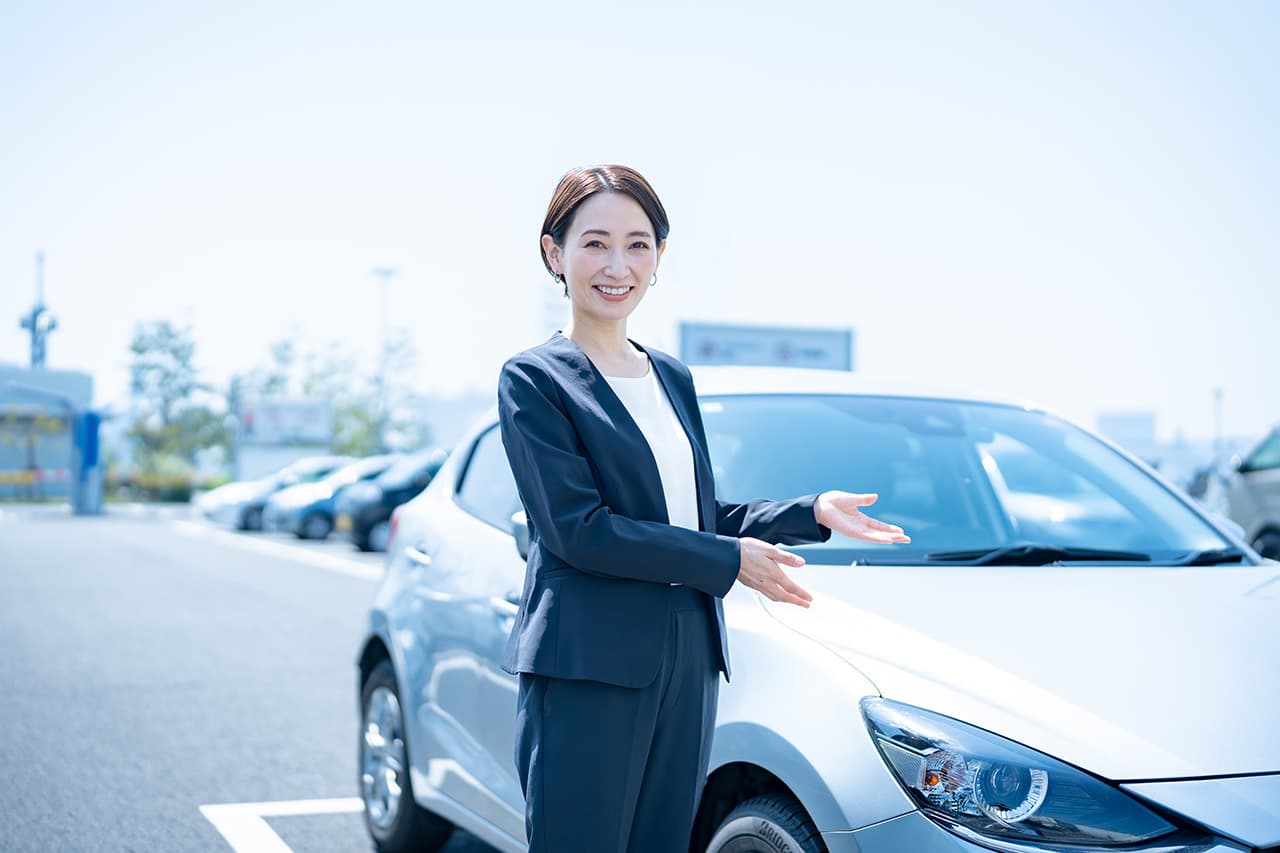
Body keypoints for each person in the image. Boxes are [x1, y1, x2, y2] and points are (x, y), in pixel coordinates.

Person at [496, 164, 911, 853]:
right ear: (554, 253)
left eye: (638, 243)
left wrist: (810, 510)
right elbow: (579, 530)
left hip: (687, 661)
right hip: (589, 667)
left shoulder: (671, 376)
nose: (617, 265)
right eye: (595, 242)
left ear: (658, 257)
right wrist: (729, 561)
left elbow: (687, 513)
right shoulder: (535, 378)